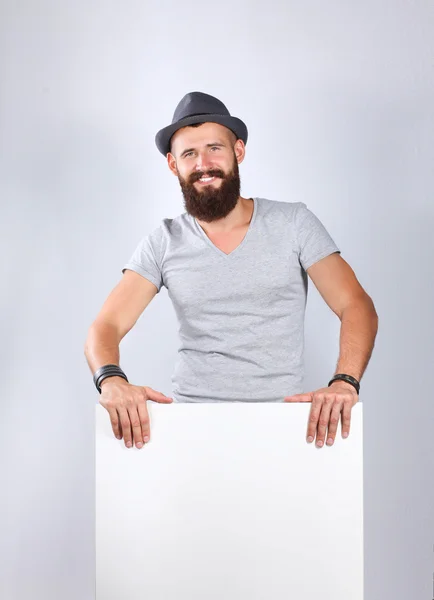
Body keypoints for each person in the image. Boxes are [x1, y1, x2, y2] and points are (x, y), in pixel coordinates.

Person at [84, 91, 378, 451]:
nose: (203, 163)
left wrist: (344, 381)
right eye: (189, 153)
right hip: (191, 427)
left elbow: (356, 304)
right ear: (173, 165)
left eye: (214, 148)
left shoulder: (293, 223)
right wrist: (111, 379)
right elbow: (106, 325)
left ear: (238, 151)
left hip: (284, 426)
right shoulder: (164, 241)